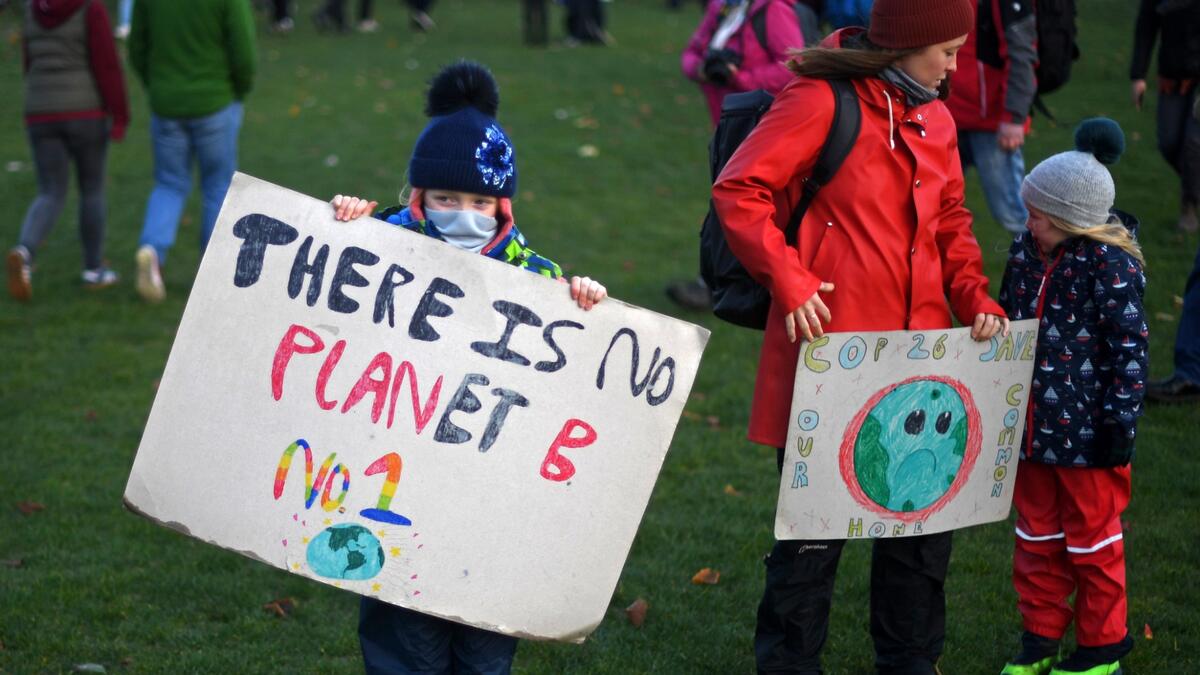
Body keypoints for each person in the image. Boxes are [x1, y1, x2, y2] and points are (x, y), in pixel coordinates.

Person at [711, 0, 1008, 671]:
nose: (956, 69)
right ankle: (789, 663)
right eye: (948, 53)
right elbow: (740, 190)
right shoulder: (820, 100)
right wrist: (790, 278)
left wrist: (974, 296)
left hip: (924, 366)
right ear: (906, 45)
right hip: (831, 360)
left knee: (920, 541)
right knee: (813, 542)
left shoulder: (935, 114)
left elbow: (952, 221)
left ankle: (909, 660)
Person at [331, 61, 606, 673]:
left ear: (503, 205)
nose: (465, 213)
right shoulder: (377, 245)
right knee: (406, 642)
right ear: (418, 196)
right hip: (392, 482)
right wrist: (345, 220)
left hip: (485, 511)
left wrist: (583, 299)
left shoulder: (536, 280)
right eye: (446, 198)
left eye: (481, 201)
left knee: (483, 648)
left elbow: (570, 352)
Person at [995, 118, 1145, 675]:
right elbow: (1010, 315)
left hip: (1089, 442)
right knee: (1036, 537)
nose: (1026, 219)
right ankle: (1039, 638)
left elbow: (1129, 353)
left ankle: (1101, 649)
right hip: (1034, 433)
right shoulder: (1027, 251)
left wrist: (1118, 426)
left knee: (1092, 544)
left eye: (1036, 213)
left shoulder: (1110, 266)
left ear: (1065, 219)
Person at [667, 0, 807, 312]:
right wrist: (703, 69)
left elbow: (793, 67)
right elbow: (690, 54)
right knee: (727, 205)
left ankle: (730, 286)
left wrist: (740, 77)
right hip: (727, 127)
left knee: (741, 205)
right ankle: (722, 282)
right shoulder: (723, 6)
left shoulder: (774, 10)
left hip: (761, 127)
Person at [128, 0, 256, 303]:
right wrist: (238, 90)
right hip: (215, 101)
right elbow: (243, 50)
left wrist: (157, 85)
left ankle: (153, 251)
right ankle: (211, 269)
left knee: (169, 183)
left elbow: (137, 46)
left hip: (167, 103)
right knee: (217, 187)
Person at [8, 0, 129, 302]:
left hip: (40, 112)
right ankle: (93, 269)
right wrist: (120, 114)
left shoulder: (32, 8)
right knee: (91, 190)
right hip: (85, 112)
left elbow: (28, 59)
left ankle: (24, 251)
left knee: (50, 191)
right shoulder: (91, 8)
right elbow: (106, 63)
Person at [946, 0, 1036, 236]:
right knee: (936, 209)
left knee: (1014, 215)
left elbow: (1021, 55)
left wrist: (1014, 118)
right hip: (947, 119)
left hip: (992, 126)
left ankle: (1044, 268)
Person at [1130, 0, 1200, 233]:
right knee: (1169, 143)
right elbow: (1146, 26)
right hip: (1172, 75)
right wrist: (1138, 75)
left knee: (1193, 143)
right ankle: (1194, 185)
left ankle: (1188, 209)